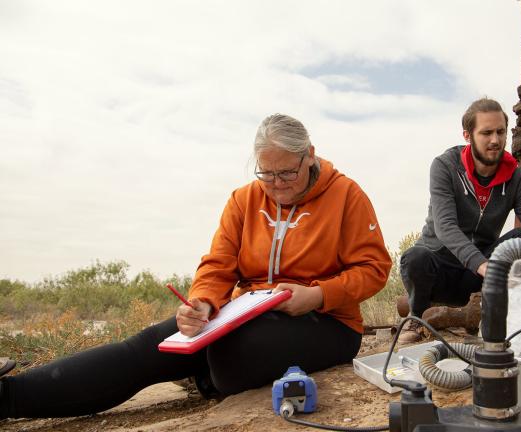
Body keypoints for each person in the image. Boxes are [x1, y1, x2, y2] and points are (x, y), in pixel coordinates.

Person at [0, 114, 391, 419]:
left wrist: (320, 295)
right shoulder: (243, 199)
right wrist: (203, 302)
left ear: (310, 155)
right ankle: (11, 397)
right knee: (147, 347)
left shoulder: (346, 195)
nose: (276, 185)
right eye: (266, 174)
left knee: (229, 358)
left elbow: (375, 267)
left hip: (327, 322)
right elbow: (218, 264)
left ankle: (207, 376)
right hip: (246, 314)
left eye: (287, 172)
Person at [399, 97, 521, 343]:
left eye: (500, 132)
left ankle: (503, 313)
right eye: (486, 133)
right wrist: (484, 266)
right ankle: (415, 316)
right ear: (467, 135)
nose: (495, 140)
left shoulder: (516, 177)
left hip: (476, 277)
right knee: (414, 257)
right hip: (439, 267)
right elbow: (445, 227)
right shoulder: (445, 166)